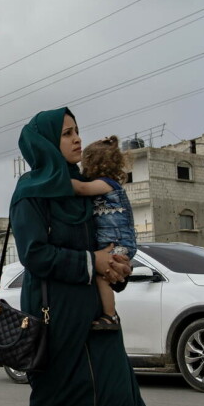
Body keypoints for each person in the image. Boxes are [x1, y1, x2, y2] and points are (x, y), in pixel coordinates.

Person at [10, 107, 191, 406]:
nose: (75, 140)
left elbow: (108, 240)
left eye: (77, 131)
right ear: (44, 142)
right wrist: (90, 261)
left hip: (101, 318)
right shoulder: (30, 192)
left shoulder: (89, 192)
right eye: (66, 133)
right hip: (55, 319)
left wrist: (117, 268)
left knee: (121, 403)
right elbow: (35, 255)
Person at [71, 135, 136, 330]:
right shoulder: (107, 185)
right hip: (113, 241)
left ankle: (110, 315)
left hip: (118, 242)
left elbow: (81, 188)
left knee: (102, 276)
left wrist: (57, 178)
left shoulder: (107, 184)